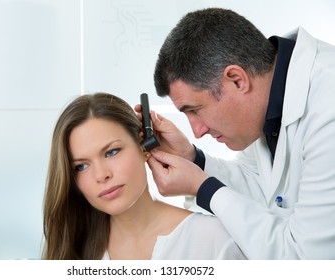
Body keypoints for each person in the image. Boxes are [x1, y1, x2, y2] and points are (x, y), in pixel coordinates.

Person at [140, 7, 335, 259]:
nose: (197, 131)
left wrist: (203, 188)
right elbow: (262, 187)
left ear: (236, 79)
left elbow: (305, 260)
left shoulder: (328, 105)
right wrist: (193, 159)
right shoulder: (271, 95)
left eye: (195, 110)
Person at [42, 92, 246, 260]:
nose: (102, 175)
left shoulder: (211, 240)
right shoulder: (74, 250)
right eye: (81, 166)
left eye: (112, 152)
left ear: (144, 145)